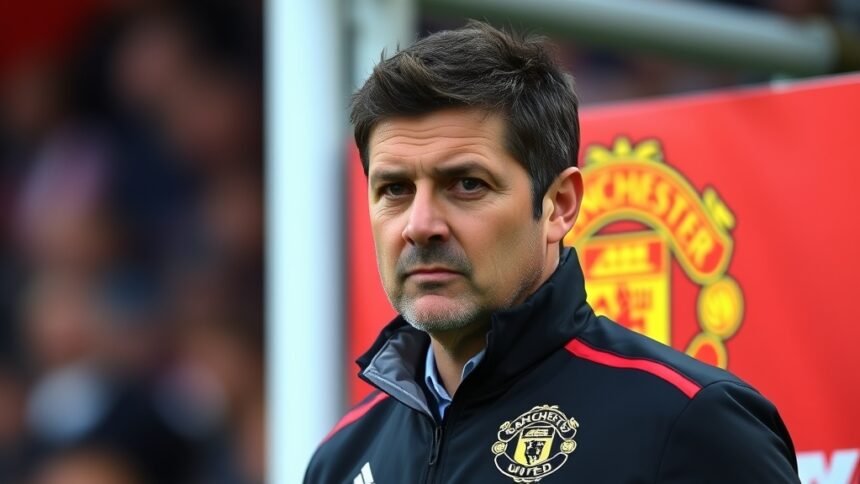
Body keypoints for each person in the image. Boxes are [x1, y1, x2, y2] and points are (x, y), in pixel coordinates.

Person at [305, 21, 798, 483]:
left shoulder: (692, 421)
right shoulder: (340, 457)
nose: (420, 225)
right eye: (394, 189)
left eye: (467, 184)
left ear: (560, 205)